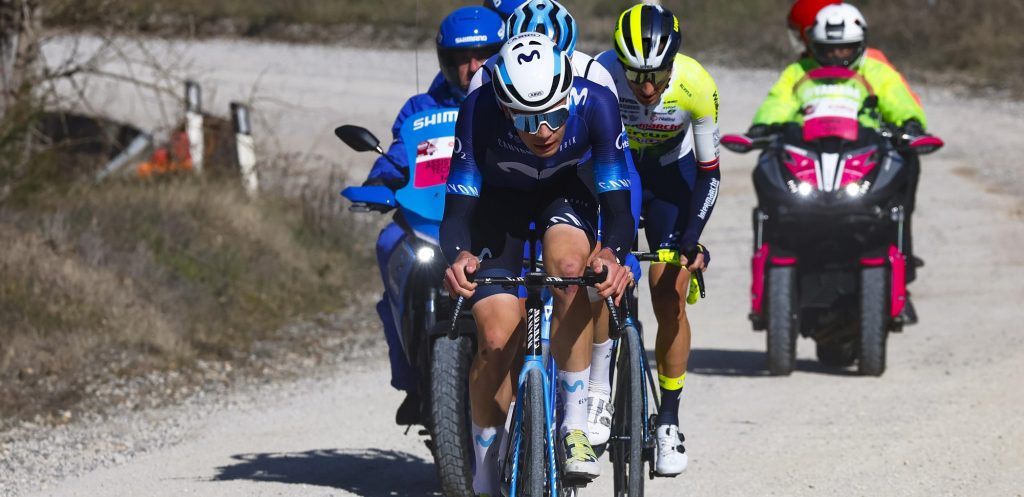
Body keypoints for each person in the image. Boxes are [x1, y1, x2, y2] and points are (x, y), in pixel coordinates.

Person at [441, 33, 634, 493]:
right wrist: (458, 256)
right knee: (493, 335)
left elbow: (619, 205)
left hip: (567, 189)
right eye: (528, 118)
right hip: (499, 201)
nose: (544, 130)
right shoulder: (479, 109)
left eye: (554, 114)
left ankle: (573, 426)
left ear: (568, 94)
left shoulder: (596, 102)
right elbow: (457, 210)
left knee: (571, 269)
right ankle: (485, 474)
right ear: (505, 108)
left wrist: (612, 252)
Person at [594, 3, 722, 476]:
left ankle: (668, 419)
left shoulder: (696, 84)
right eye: (636, 76)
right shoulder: (600, 75)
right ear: (619, 63)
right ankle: (594, 394)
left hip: (673, 179)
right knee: (598, 277)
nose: (647, 89)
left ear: (674, 64)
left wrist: (692, 238)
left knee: (668, 293)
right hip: (618, 173)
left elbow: (710, 175)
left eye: (656, 76)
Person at [362, 6, 505, 425]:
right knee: (388, 243)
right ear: (444, 60)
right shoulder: (419, 108)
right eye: (460, 59)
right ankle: (411, 380)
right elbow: (399, 156)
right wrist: (377, 182)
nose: (471, 68)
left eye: (482, 55)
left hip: (493, 227)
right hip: (431, 227)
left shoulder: (512, 99)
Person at [749, 3, 929, 314]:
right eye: (828, 49)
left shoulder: (875, 70)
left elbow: (899, 100)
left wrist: (910, 124)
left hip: (863, 156)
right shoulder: (798, 72)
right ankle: (770, 272)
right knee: (765, 169)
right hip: (809, 157)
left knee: (907, 166)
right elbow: (778, 101)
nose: (836, 56)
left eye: (845, 49)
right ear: (813, 46)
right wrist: (762, 126)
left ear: (860, 45)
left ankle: (903, 259)